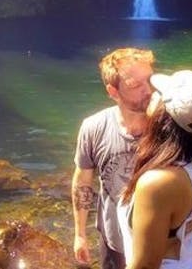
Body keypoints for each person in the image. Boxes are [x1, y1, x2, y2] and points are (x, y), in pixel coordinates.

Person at [118, 69, 192, 269]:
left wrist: (181, 226)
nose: (151, 94)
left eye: (157, 93)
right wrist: (188, 223)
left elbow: (146, 265)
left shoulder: (157, 183)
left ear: (163, 110)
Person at [73, 47, 156, 269]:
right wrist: (80, 234)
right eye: (136, 85)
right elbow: (83, 182)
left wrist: (184, 230)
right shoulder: (93, 128)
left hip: (158, 247)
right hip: (113, 242)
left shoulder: (170, 127)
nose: (148, 90)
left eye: (149, 80)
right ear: (113, 91)